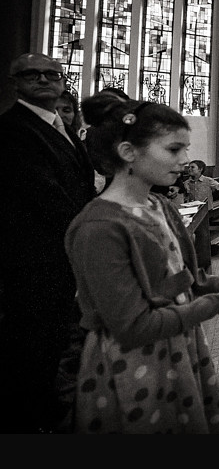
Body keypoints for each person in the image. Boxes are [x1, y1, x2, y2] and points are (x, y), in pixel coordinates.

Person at [64, 93, 219, 433]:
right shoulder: (99, 228)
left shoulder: (160, 207)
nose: (185, 160)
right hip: (131, 364)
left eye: (186, 149)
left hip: (179, 346)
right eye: (173, 149)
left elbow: (188, 283)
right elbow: (134, 327)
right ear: (128, 152)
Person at [0, 53, 96, 433]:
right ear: (15, 82)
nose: (43, 79)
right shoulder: (12, 130)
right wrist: (92, 231)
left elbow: (81, 182)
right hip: (35, 257)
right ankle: (26, 419)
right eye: (31, 74)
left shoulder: (62, 126)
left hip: (61, 254)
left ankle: (46, 406)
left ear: (62, 81)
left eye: (51, 74)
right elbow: (45, 193)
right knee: (32, 342)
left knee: (55, 337)